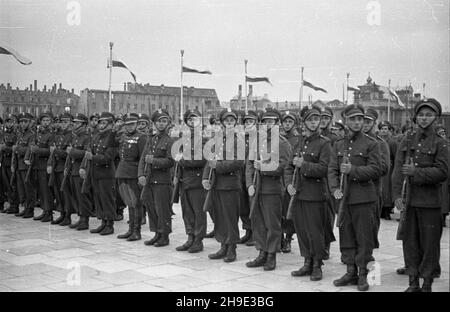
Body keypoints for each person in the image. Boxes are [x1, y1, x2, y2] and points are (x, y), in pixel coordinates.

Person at [392, 98, 448, 292]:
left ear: (436, 118)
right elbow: (398, 170)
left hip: (430, 203)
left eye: (429, 115)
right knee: (410, 243)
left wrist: (417, 173)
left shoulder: (441, 143)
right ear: (415, 117)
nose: (424, 119)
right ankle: (413, 282)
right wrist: (396, 196)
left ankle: (427, 283)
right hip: (409, 202)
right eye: (421, 115)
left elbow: (443, 172)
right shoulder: (406, 140)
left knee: (430, 244)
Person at [328, 104, 382, 291]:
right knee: (347, 236)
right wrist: (334, 188)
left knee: (364, 238)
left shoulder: (371, 144)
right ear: (346, 121)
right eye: (353, 119)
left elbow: (377, 169)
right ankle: (350, 271)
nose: (357, 122)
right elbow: (332, 169)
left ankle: (363, 274)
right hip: (344, 198)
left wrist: (354, 171)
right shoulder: (338, 144)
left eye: (360, 119)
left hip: (363, 198)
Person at [286, 105, 331, 281]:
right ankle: (307, 262)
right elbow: (289, 167)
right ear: (304, 122)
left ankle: (317, 265)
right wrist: (289, 184)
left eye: (316, 119)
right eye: (310, 120)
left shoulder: (324, 143)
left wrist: (303, 165)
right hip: (299, 194)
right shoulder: (299, 142)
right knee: (303, 230)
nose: (314, 123)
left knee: (315, 231)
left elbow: (325, 168)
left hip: (316, 195)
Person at [245, 108, 292, 271]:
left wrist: (264, 167)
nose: (268, 125)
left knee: (272, 224)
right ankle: (262, 252)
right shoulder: (257, 141)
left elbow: (283, 167)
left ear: (277, 124)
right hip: (257, 188)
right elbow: (249, 164)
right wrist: (249, 184)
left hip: (272, 188)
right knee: (258, 222)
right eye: (265, 122)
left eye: (271, 122)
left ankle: (271, 254)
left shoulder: (283, 143)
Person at [203, 108, 244, 263]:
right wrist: (205, 177)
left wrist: (218, 166)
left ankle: (231, 248)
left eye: (232, 121)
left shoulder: (238, 140)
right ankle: (223, 245)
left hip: (230, 184)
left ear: (236, 123)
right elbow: (210, 159)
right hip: (216, 184)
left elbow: (238, 162)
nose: (229, 123)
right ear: (221, 123)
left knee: (230, 217)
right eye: (226, 121)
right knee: (219, 216)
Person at [138, 109, 175, 247]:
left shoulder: (170, 141)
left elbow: (171, 161)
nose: (161, 124)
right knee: (151, 208)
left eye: (164, 121)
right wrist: (140, 174)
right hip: (150, 180)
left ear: (168, 123)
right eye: (158, 121)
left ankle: (164, 236)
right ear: (154, 123)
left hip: (162, 180)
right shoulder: (151, 140)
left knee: (162, 209)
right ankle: (156, 233)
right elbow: (143, 158)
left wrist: (154, 161)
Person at [176, 109, 207, 253]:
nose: (192, 122)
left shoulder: (204, 139)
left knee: (198, 212)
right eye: (190, 120)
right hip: (184, 180)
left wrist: (182, 160)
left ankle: (198, 240)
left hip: (197, 180)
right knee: (187, 211)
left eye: (195, 119)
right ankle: (190, 237)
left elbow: (201, 159)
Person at [82, 112, 118, 235]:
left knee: (107, 199)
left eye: (104, 123)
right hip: (95, 173)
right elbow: (90, 150)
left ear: (111, 124)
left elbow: (108, 157)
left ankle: (109, 224)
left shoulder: (112, 138)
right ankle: (103, 222)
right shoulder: (97, 136)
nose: (101, 125)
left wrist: (93, 157)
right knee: (99, 199)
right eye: (100, 123)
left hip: (106, 174)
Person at [116, 113, 147, 241]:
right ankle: (130, 230)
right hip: (122, 171)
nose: (129, 127)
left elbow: (142, 158)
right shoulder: (123, 136)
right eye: (127, 125)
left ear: (136, 124)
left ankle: (136, 231)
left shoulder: (141, 138)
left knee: (136, 203)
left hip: (134, 173)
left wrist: (141, 174)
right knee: (129, 202)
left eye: (132, 124)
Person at [362, 109, 390, 245]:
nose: (365, 125)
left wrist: (365, 169)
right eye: (363, 121)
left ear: (374, 123)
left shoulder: (381, 144)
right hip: (354, 190)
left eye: (368, 122)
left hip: (373, 188)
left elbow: (384, 168)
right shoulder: (352, 142)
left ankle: (368, 249)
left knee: (371, 222)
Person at [67, 113, 95, 230]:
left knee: (83, 195)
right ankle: (80, 217)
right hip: (74, 169)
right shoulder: (76, 136)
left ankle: (85, 220)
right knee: (77, 195)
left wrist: (72, 151)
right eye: (74, 123)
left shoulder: (87, 137)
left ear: (83, 125)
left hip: (81, 170)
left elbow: (86, 153)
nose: (75, 125)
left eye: (77, 123)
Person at [48, 112, 74, 225]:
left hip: (65, 167)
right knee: (58, 192)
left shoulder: (72, 136)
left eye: (66, 122)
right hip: (57, 166)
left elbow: (68, 154)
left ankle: (67, 215)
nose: (63, 124)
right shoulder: (58, 135)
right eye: (62, 122)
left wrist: (55, 151)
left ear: (71, 123)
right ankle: (62, 213)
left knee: (66, 193)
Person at [237, 110, 258, 246]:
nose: (249, 124)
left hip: (253, 177)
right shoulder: (241, 139)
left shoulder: (260, 139)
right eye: (246, 122)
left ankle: (255, 234)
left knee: (253, 205)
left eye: (251, 122)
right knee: (243, 206)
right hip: (241, 176)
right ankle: (248, 231)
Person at [280, 110, 300, 253]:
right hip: (278, 177)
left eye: (290, 122)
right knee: (279, 210)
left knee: (289, 210)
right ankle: (280, 237)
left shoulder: (298, 140)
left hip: (290, 178)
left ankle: (288, 238)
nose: (287, 125)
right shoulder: (279, 138)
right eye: (285, 122)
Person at [13, 113, 37, 218]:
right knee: (21, 188)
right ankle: (25, 207)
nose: (23, 124)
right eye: (21, 122)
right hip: (19, 164)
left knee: (28, 188)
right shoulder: (20, 134)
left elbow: (29, 149)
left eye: (25, 122)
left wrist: (17, 149)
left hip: (26, 165)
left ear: (30, 122)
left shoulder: (32, 134)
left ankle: (30, 209)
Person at [0, 114, 19, 214]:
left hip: (11, 161)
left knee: (12, 184)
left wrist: (4, 148)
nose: (9, 124)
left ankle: (14, 205)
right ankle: (11, 203)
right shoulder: (4, 134)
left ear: (14, 123)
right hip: (4, 160)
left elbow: (15, 149)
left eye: (11, 122)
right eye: (7, 122)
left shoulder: (16, 134)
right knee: (6, 184)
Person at [378, 121, 397, 220]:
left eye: (386, 129)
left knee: (387, 191)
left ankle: (387, 210)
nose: (384, 131)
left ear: (389, 130)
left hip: (389, 169)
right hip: (378, 167)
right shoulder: (376, 141)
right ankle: (380, 210)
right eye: (382, 129)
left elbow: (395, 156)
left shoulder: (392, 142)